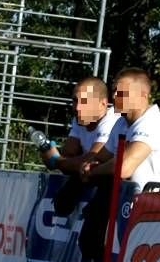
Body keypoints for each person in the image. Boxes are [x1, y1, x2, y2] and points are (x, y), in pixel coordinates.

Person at [78, 67, 160, 262]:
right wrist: (88, 164)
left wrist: (93, 171)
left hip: (154, 216)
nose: (115, 95)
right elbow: (104, 155)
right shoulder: (121, 123)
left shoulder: (152, 123)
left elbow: (124, 167)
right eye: (115, 90)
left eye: (121, 92)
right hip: (130, 209)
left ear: (143, 95)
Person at [35, 76, 119, 218]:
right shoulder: (80, 118)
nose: (77, 107)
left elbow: (90, 160)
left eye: (84, 102)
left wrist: (56, 160)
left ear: (102, 104)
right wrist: (62, 161)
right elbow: (69, 154)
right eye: (75, 101)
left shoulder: (112, 122)